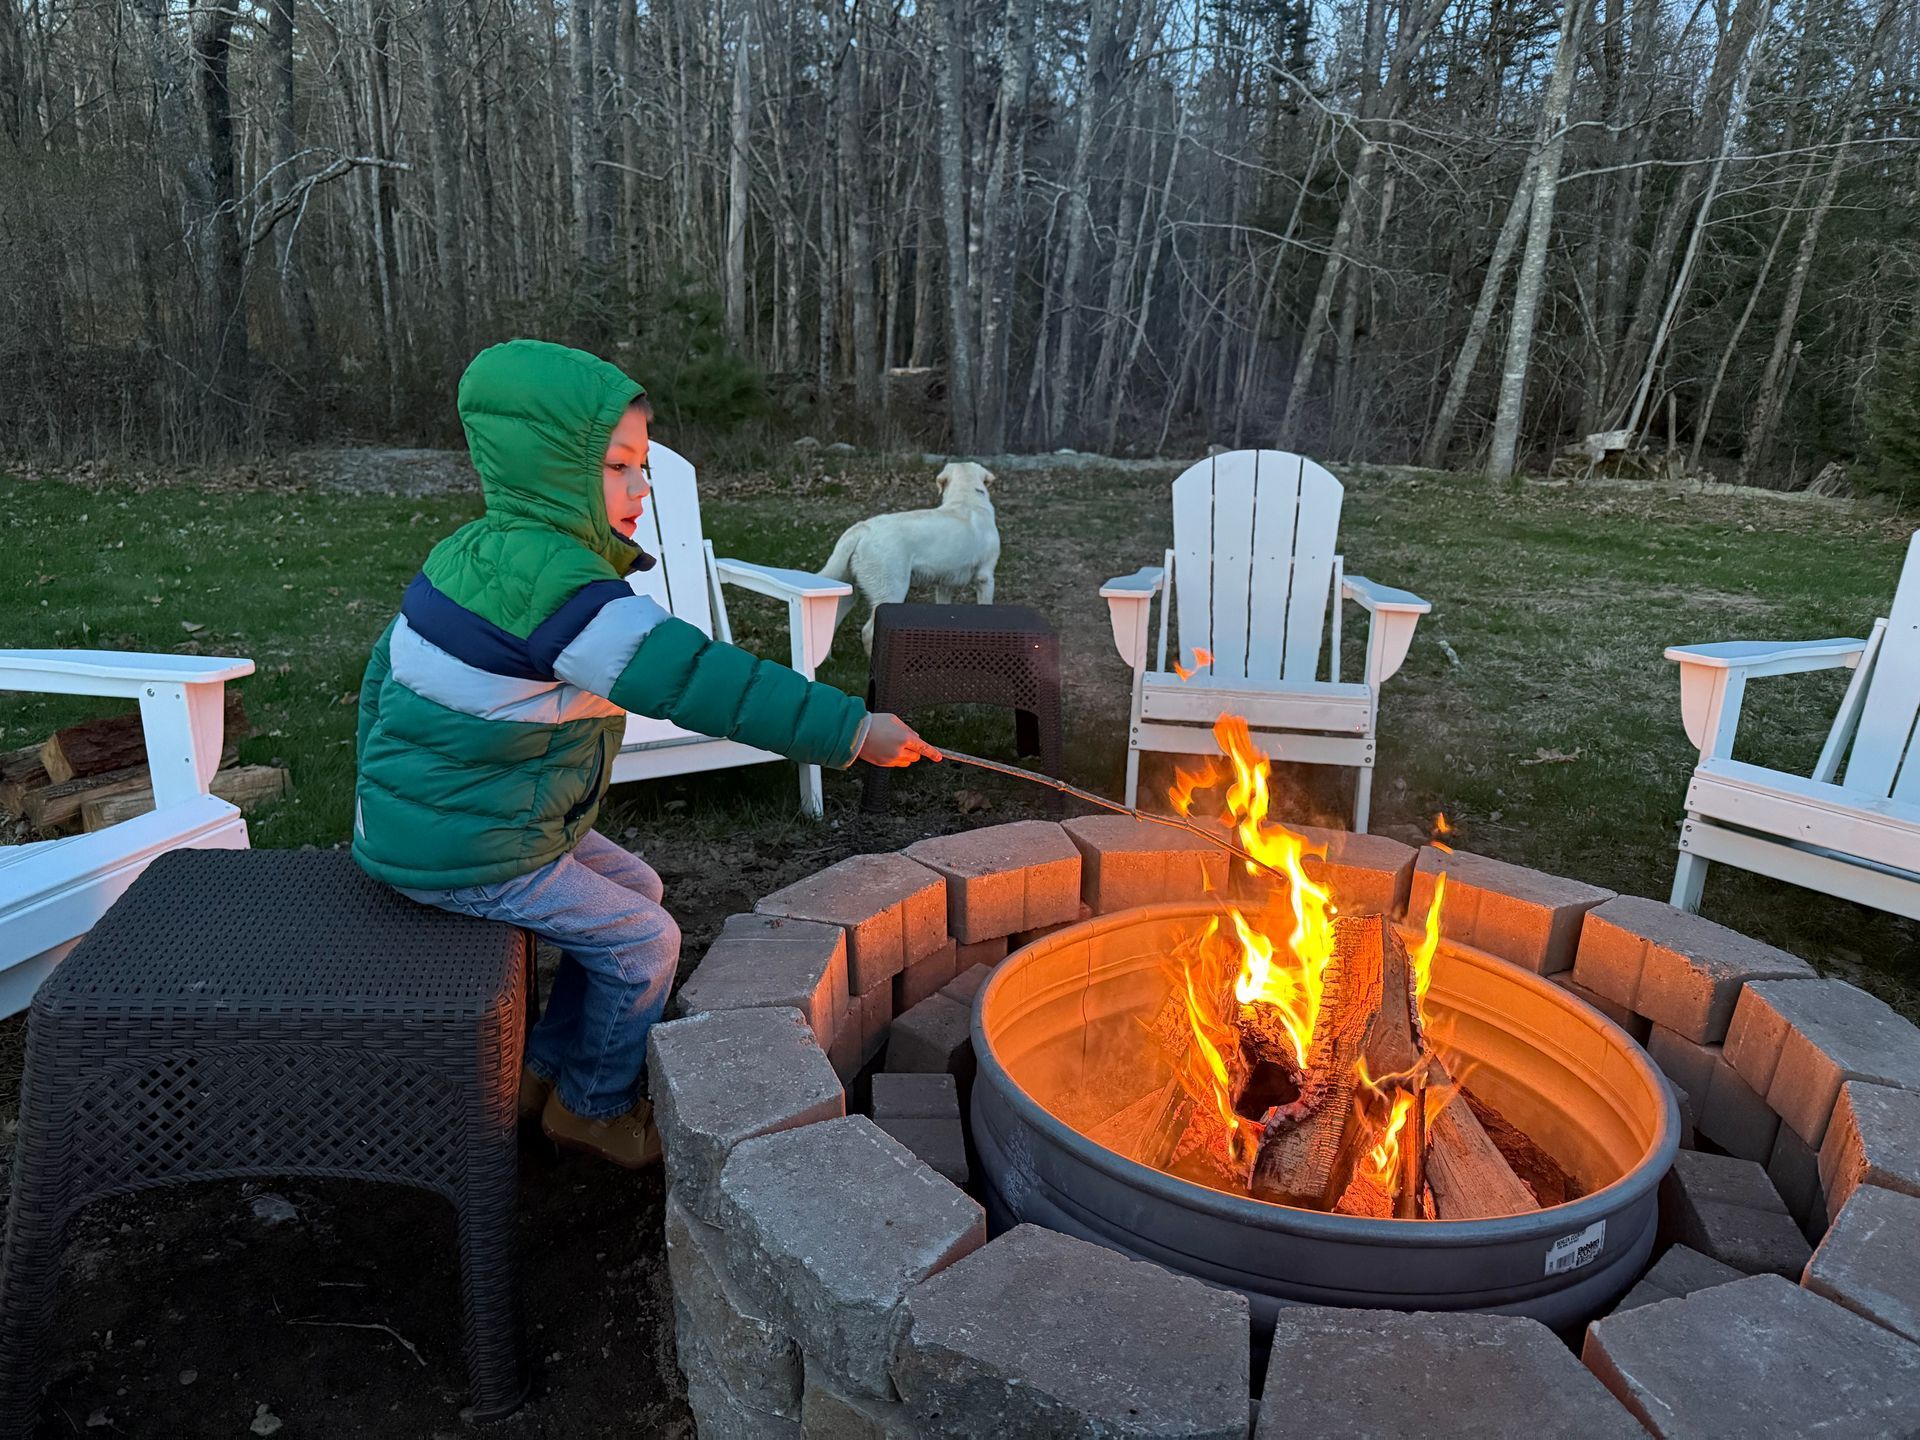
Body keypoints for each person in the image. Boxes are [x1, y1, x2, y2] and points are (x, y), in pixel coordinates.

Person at [351, 339, 937, 1168]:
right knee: (646, 941)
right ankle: (594, 1108)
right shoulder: (566, 597)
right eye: (620, 468)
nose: (642, 487)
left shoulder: (475, 553)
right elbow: (706, 681)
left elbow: (382, 678)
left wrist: (374, 805)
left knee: (639, 887)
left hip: (459, 812)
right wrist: (852, 729)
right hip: (469, 846)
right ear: (552, 472)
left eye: (643, 465)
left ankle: (546, 1070)